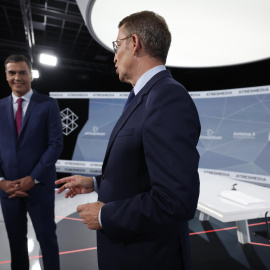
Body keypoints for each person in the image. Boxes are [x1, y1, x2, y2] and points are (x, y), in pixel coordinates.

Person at [55, 10, 200, 270]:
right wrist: (97, 182)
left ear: (134, 43)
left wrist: (104, 214)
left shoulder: (167, 98)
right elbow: (140, 172)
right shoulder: (145, 97)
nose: (114, 56)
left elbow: (175, 200)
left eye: (117, 45)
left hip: (147, 258)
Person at [0, 54, 63, 270]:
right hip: (7, 190)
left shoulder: (48, 105)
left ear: (31, 75)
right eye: (12, 72)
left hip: (39, 188)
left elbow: (55, 145)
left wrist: (32, 178)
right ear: (6, 75)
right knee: (16, 246)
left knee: (47, 241)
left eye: (22, 72)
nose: (17, 77)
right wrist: (1, 181)